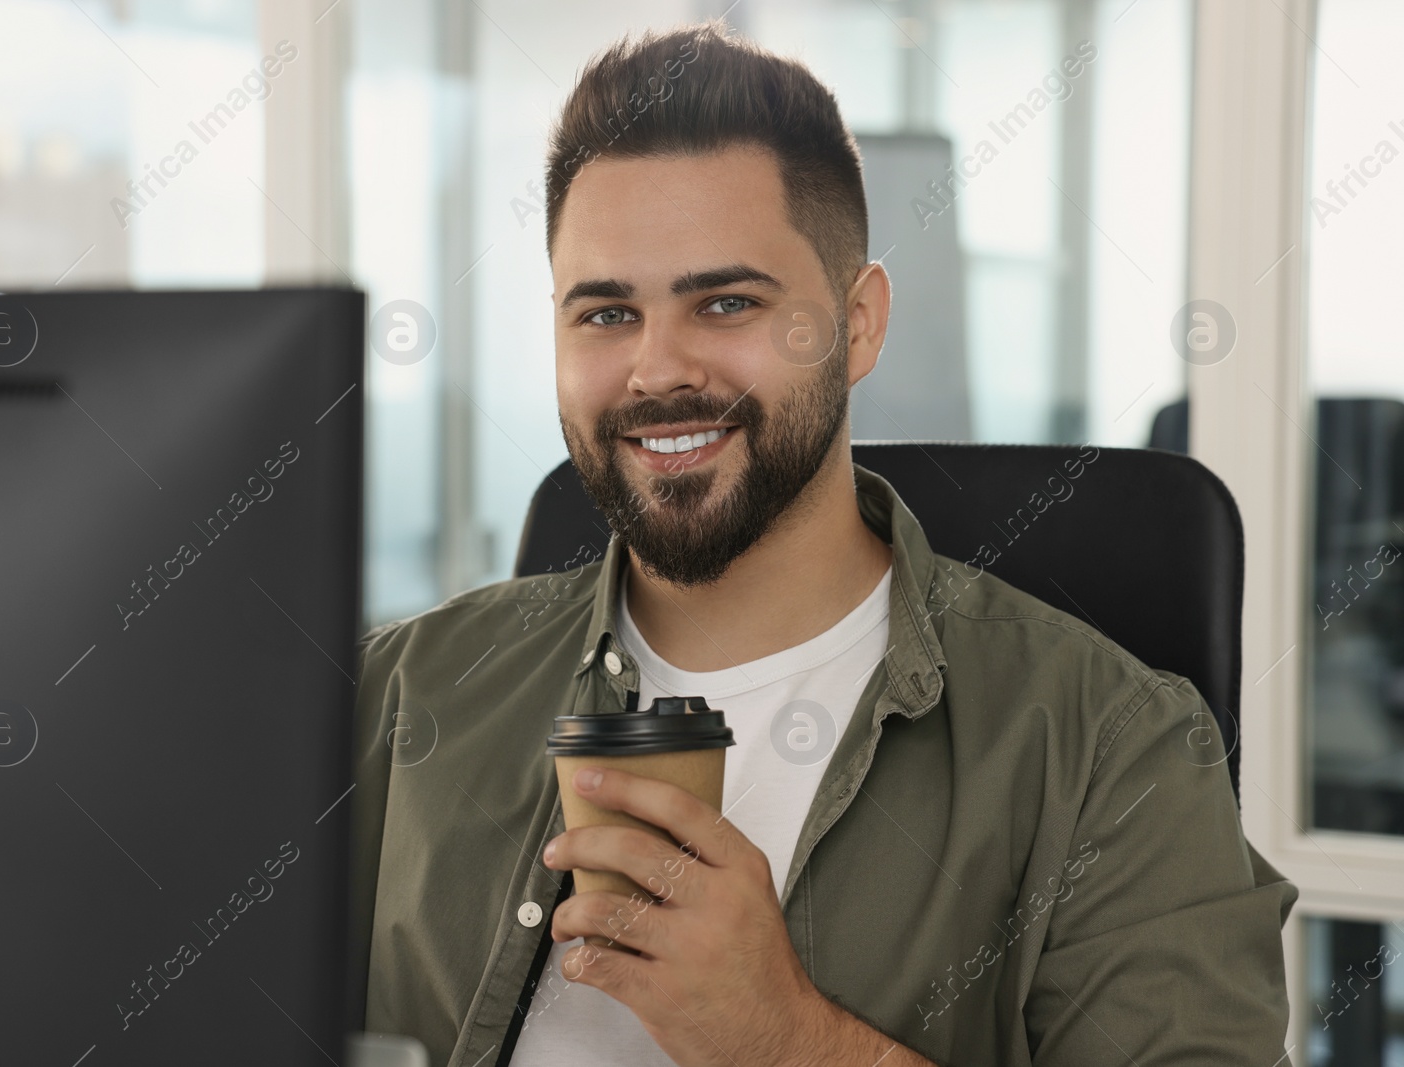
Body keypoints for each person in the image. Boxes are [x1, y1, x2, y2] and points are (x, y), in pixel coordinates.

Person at [350, 20, 1296, 1067]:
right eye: (606, 313)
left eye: (725, 302)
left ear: (858, 324)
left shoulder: (1113, 752)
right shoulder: (392, 700)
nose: (657, 368)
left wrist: (783, 1035)